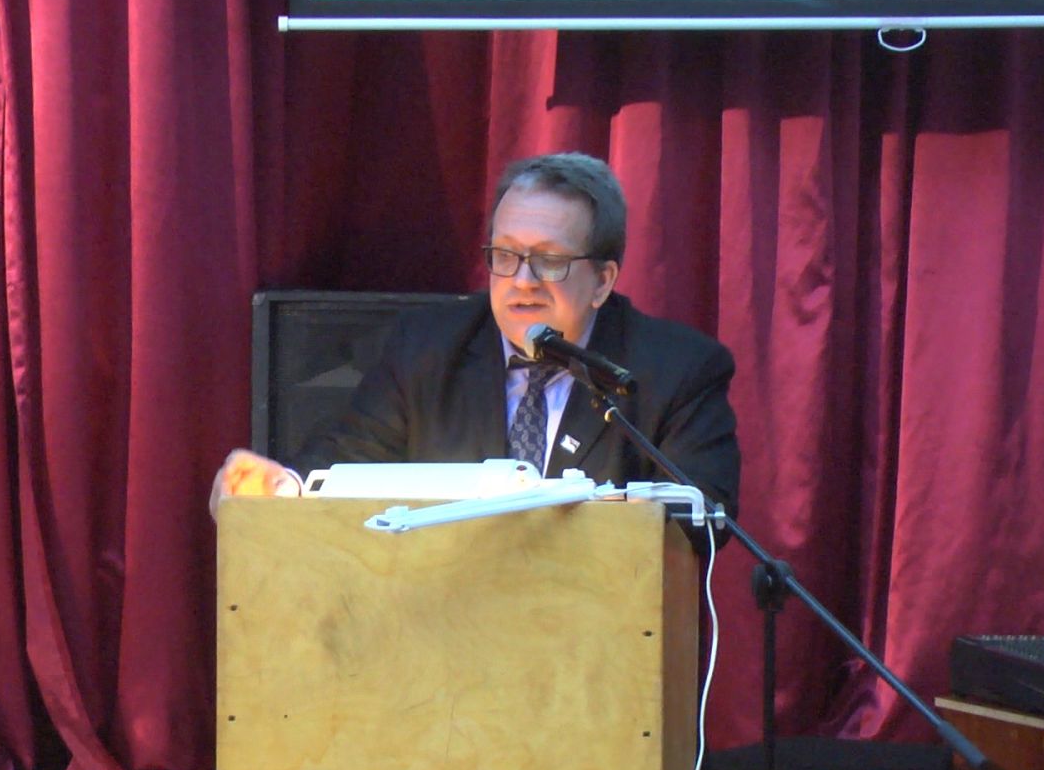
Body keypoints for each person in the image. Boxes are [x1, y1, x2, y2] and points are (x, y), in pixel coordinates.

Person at [211, 151, 739, 528]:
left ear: (603, 280)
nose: (522, 281)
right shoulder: (426, 349)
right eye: (505, 256)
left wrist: (616, 519)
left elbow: (705, 516)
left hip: (602, 633)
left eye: (549, 260)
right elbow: (343, 463)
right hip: (444, 624)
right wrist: (283, 486)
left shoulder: (674, 370)